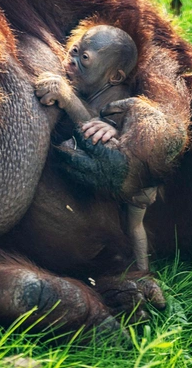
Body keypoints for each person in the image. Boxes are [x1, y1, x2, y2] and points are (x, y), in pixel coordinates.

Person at [35, 25, 158, 271]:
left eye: (84, 60)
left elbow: (91, 126)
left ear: (114, 77)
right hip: (120, 176)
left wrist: (67, 97)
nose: (71, 63)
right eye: (74, 51)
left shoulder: (116, 95)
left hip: (138, 183)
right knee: (131, 226)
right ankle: (139, 269)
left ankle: (142, 271)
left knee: (133, 225)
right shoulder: (95, 86)